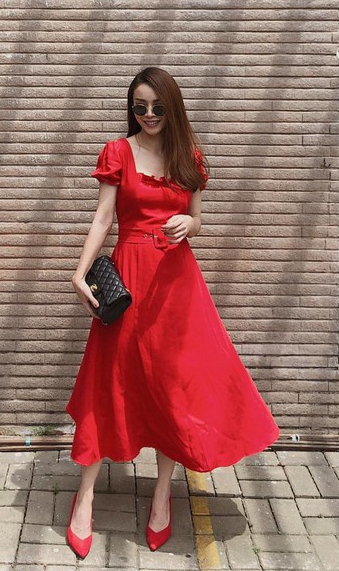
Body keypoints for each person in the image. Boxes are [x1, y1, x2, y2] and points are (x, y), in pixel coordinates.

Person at [65, 66, 280, 559]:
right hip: (130, 277)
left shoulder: (190, 158)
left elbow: (197, 218)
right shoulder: (118, 152)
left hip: (177, 284)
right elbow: (103, 217)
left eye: (158, 106)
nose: (149, 114)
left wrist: (190, 222)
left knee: (173, 386)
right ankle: (86, 495)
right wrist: (78, 272)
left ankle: (163, 493)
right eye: (140, 106)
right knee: (108, 380)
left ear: (173, 107)